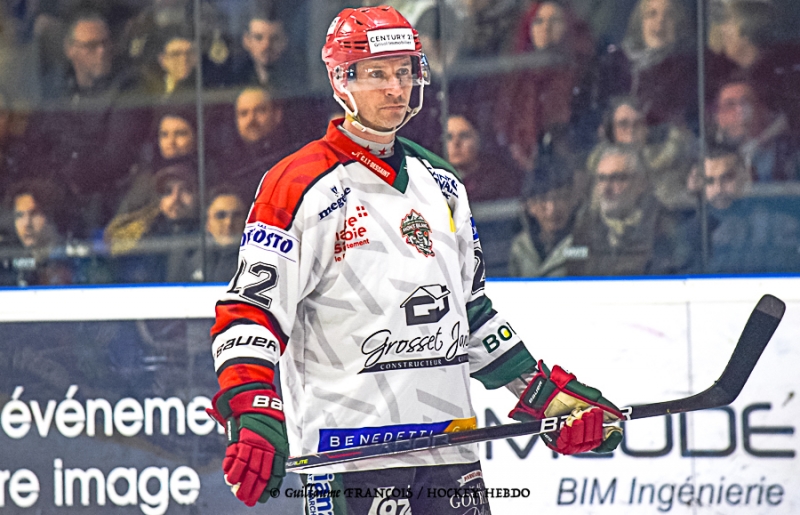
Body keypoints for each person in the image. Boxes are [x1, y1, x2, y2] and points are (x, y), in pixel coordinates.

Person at [206, 6, 624, 513]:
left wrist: (542, 396)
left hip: (451, 453)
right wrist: (253, 409)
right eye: (377, 73)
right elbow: (250, 312)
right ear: (342, 80)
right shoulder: (298, 184)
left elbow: (470, 315)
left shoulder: (442, 183)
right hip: (353, 460)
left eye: (403, 71)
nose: (394, 87)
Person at [568, 144, 695, 276]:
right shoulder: (585, 229)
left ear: (641, 183)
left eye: (617, 178)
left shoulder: (666, 229)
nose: (606, 189)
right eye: (602, 178)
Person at [689, 145, 800, 273]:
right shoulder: (693, 232)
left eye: (727, 178)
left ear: (746, 176)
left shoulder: (778, 226)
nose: (718, 188)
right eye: (710, 180)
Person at [712, 78, 800, 182]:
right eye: (730, 104)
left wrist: (757, 143)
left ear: (759, 107)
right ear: (718, 115)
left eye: (745, 102)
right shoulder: (709, 152)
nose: (740, 110)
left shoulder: (788, 150)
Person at [508, 156, 581, 277]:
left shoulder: (584, 242)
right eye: (542, 200)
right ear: (529, 206)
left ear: (572, 200)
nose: (552, 209)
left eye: (560, 197)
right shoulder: (520, 247)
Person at [446, 112, 524, 201]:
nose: (456, 143)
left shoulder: (500, 180)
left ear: (478, 140)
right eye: (449, 137)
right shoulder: (435, 182)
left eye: (464, 136)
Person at [182, 186, 247, 282]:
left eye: (237, 215)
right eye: (221, 215)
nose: (229, 222)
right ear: (207, 223)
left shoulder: (259, 261)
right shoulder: (189, 259)